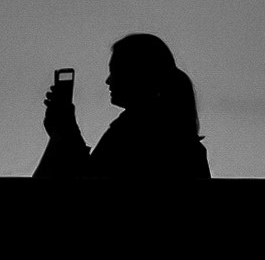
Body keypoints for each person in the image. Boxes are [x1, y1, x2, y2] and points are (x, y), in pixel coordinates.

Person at [34, 33, 211, 179]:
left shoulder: (132, 131)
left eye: (115, 72)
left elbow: (89, 181)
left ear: (137, 74)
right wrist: (66, 130)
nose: (108, 80)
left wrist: (63, 132)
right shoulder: (179, 137)